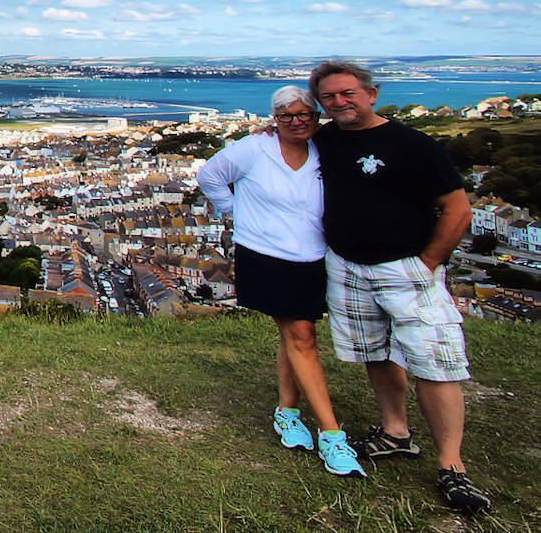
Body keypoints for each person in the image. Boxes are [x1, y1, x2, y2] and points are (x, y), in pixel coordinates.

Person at [309, 60, 488, 513]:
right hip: (348, 266)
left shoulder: (413, 143)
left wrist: (427, 262)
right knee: (375, 352)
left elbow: (458, 210)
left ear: (371, 93)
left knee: (435, 362)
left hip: (405, 268)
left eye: (347, 93)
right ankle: (395, 432)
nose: (338, 103)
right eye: (328, 97)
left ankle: (453, 466)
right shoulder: (325, 138)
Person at [198, 85, 365, 478]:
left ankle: (287, 414)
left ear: (316, 117)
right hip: (267, 255)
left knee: (296, 336)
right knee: (302, 335)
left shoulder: (325, 149)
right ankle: (332, 434)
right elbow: (209, 176)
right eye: (287, 115)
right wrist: (237, 211)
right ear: (274, 119)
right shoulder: (255, 149)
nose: (296, 121)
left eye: (304, 114)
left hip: (314, 255)